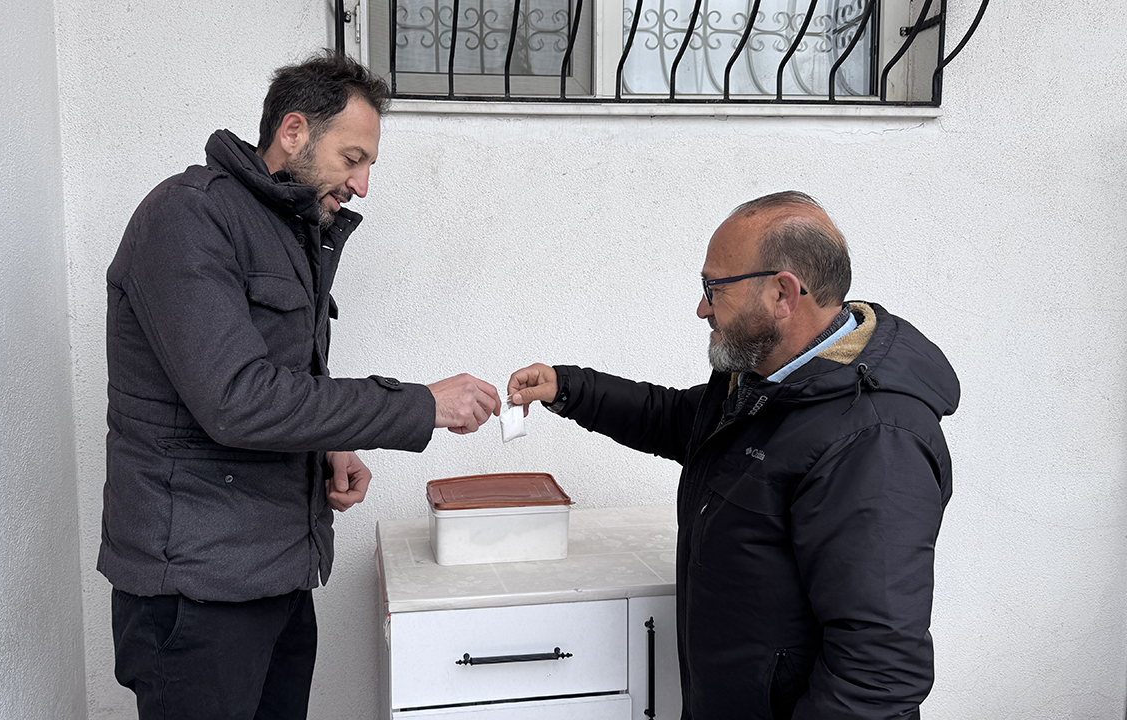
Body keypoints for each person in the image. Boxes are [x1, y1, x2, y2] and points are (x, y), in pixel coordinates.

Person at [100, 51, 501, 720]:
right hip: (199, 591)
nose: (362, 184)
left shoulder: (289, 231)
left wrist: (329, 444)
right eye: (352, 158)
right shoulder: (189, 217)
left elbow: (280, 379)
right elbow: (237, 401)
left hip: (277, 574)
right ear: (293, 132)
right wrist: (420, 405)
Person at [508, 191, 959, 720]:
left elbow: (878, 670)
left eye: (714, 288)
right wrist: (567, 387)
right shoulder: (771, 384)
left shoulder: (874, 441)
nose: (702, 308)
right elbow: (676, 419)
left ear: (782, 294)